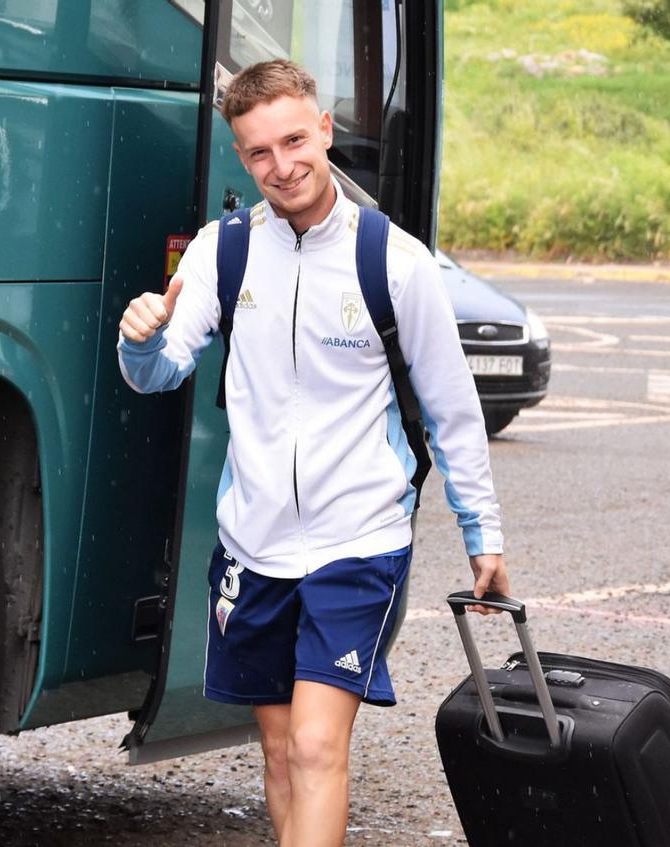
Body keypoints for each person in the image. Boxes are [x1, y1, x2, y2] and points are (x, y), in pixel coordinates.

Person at [118, 59, 508, 847]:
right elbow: (161, 372)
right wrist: (138, 340)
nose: (282, 165)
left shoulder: (394, 260)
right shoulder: (221, 252)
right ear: (239, 155)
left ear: (326, 128)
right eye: (259, 152)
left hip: (357, 540)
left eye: (295, 139)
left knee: (317, 744)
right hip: (254, 544)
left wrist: (483, 532)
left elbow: (453, 410)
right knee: (278, 750)